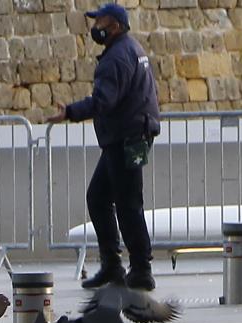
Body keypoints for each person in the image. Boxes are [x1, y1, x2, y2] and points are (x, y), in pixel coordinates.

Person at [47, 2, 161, 291]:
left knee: (127, 205)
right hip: (129, 136)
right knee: (100, 198)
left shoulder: (116, 59)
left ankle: (141, 269)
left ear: (115, 26)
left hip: (126, 138)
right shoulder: (132, 49)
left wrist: (69, 112)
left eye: (101, 22)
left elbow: (103, 102)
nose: (95, 27)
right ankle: (113, 265)